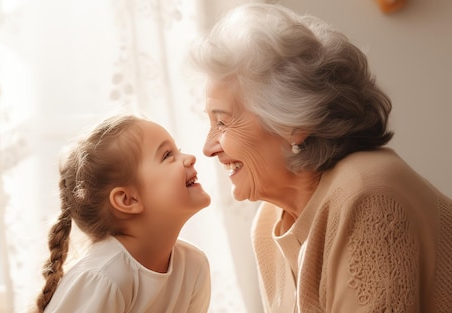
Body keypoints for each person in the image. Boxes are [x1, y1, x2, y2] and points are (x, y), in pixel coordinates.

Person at [189, 3, 452, 313]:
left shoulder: (368, 193)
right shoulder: (268, 222)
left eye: (222, 122)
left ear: (293, 125)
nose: (208, 148)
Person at [34, 114, 212, 313]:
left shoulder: (194, 266)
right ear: (128, 200)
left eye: (177, 151)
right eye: (167, 155)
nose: (190, 158)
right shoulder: (104, 278)